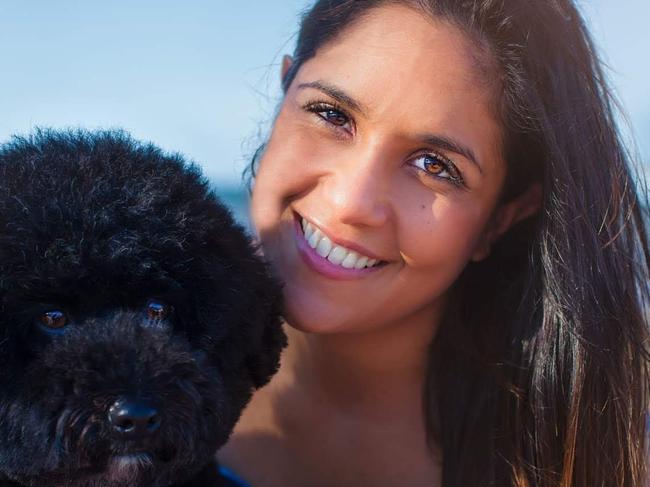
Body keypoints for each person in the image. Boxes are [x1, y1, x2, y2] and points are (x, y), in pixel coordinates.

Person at [217, 1, 650, 486]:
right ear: (283, 94)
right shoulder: (130, 365)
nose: (351, 202)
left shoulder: (583, 463)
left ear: (502, 218)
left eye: (434, 165)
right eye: (331, 114)